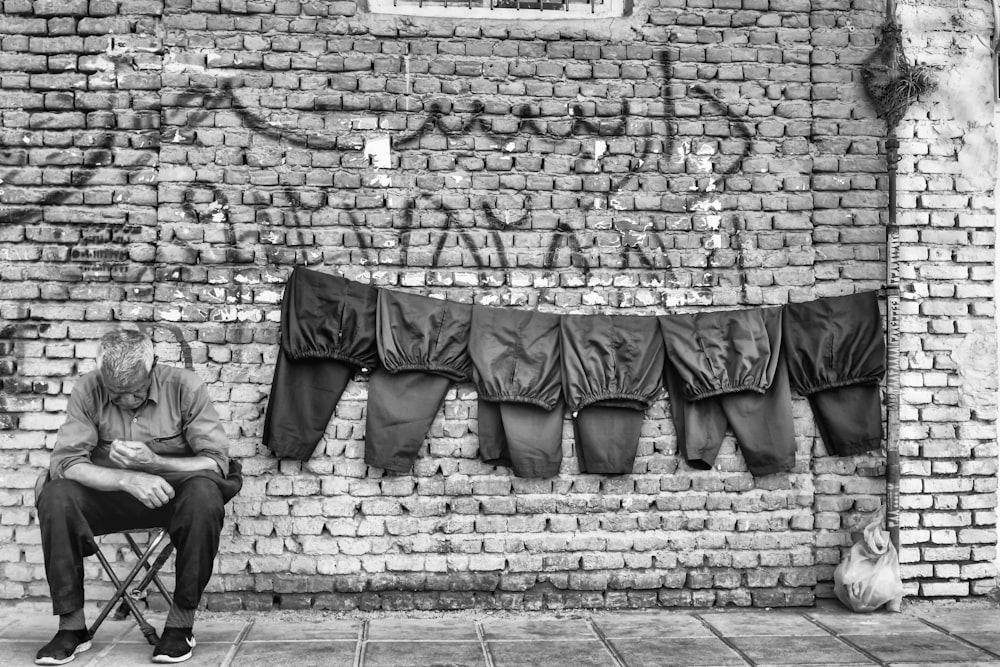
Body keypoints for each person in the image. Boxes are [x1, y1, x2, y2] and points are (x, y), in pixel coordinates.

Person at [34, 329, 241, 665]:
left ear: (153, 366)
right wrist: (126, 478)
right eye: (115, 394)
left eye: (135, 392)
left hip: (174, 498)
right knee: (56, 495)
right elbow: (67, 463)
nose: (125, 400)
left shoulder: (185, 387)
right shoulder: (88, 389)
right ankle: (72, 627)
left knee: (205, 493)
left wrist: (155, 463)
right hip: (110, 497)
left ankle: (180, 624)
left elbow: (215, 462)